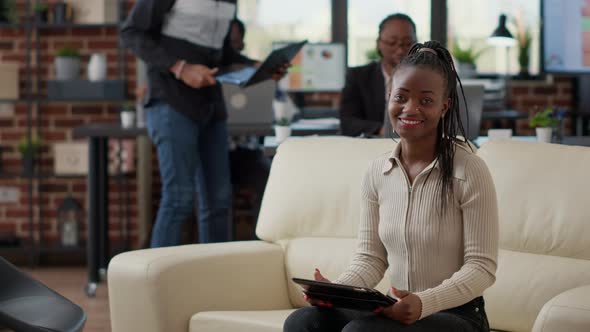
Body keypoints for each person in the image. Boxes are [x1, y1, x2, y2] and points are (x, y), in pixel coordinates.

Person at [284, 41, 499, 332]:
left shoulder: (469, 169)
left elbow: (481, 268)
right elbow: (370, 258)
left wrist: (423, 302)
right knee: (304, 322)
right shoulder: (377, 171)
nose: (410, 108)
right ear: (389, 97)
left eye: (425, 100)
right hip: (395, 308)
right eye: (402, 97)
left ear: (444, 106)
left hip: (457, 315)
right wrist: (337, 292)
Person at [121, 0, 286, 247]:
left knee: (219, 200)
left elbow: (222, 54)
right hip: (171, 101)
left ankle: (213, 277)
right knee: (178, 198)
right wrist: (181, 68)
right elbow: (131, 33)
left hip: (210, 105)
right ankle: (154, 283)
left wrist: (257, 67)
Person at [226, 18, 272, 238]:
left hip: (246, 152)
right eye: (227, 42)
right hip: (215, 151)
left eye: (236, 42)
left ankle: (261, 240)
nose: (232, 47)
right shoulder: (206, 72)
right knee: (213, 191)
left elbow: (282, 108)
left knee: (270, 177)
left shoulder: (251, 70)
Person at [340, 13, 417, 137]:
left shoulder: (427, 79)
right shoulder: (358, 76)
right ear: (379, 43)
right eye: (392, 43)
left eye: (407, 43)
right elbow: (348, 123)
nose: (400, 50)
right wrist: (384, 130)